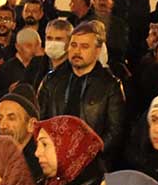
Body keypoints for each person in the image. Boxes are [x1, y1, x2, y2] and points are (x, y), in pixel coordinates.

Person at [37, 21, 127, 162]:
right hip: (54, 157)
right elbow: (40, 119)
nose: (77, 51)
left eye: (84, 46)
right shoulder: (51, 80)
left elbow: (116, 130)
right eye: (74, 45)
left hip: (93, 161)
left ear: (97, 51)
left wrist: (90, 152)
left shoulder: (110, 85)